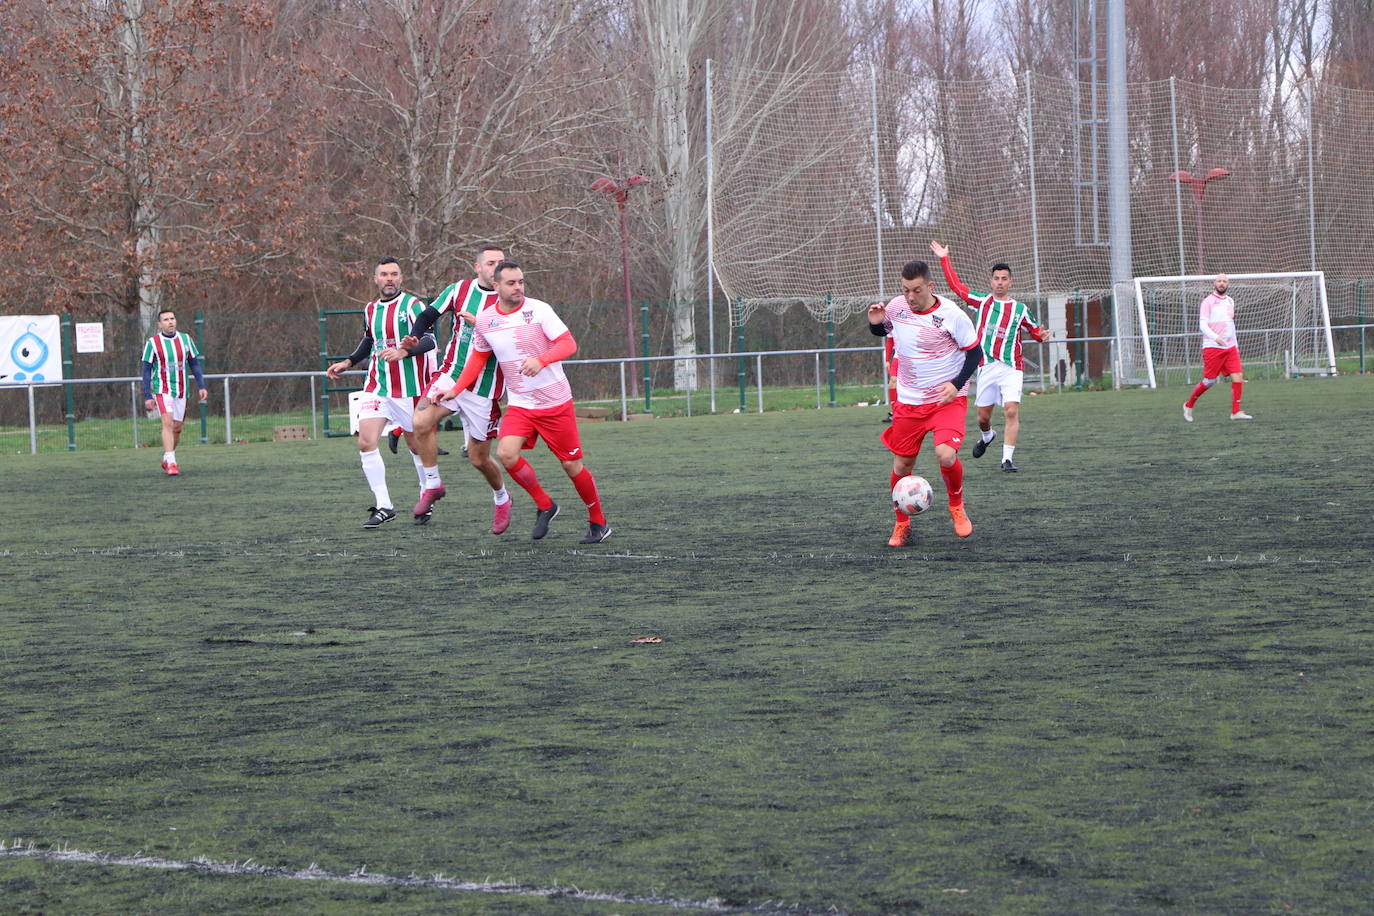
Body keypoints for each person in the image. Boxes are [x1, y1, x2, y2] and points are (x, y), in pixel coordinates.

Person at [437, 259, 611, 543]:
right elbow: (479, 357)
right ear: (496, 286)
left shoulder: (539, 309)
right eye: (511, 283)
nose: (518, 287)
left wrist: (541, 360)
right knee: (507, 454)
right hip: (521, 404)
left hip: (555, 402)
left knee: (571, 466)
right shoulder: (485, 320)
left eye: (521, 282)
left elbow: (568, 343)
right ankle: (545, 505)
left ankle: (598, 522)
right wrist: (456, 389)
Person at [869, 258, 982, 545]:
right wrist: (876, 325)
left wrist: (956, 385)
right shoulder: (896, 307)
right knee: (902, 466)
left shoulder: (952, 314)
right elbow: (886, 331)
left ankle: (956, 507)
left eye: (916, 290)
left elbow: (975, 353)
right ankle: (901, 523)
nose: (910, 297)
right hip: (909, 401)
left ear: (930, 286)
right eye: (905, 290)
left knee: (945, 455)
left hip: (946, 399)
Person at [400, 243, 512, 532]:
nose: (496, 268)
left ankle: (501, 497)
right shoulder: (460, 290)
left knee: (479, 458)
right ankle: (433, 484)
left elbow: (515, 345)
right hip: (451, 374)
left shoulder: (511, 301)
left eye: (500, 263)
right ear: (477, 267)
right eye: (490, 263)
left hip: (484, 389)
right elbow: (427, 316)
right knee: (420, 420)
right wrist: (414, 337)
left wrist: (486, 327)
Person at [325, 258, 437, 529]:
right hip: (377, 386)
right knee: (365, 442)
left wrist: (404, 351)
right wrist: (348, 361)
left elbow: (430, 340)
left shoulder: (412, 306)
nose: (389, 278)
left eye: (394, 274)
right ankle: (385, 505)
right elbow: (369, 341)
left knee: (416, 446)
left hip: (410, 389)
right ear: (375, 279)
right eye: (384, 274)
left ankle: (427, 496)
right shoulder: (370, 309)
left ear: (401, 278)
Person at [930, 241, 1050, 472]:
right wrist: (944, 258)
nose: (1000, 282)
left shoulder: (1020, 309)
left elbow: (1035, 331)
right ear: (991, 281)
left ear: (1010, 282)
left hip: (1012, 367)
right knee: (983, 418)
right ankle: (987, 436)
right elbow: (956, 287)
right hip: (986, 367)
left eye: (1004, 278)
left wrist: (1041, 335)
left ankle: (1007, 460)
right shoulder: (982, 302)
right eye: (997, 278)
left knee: (1012, 410)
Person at [141, 309, 208, 476]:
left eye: (172, 318)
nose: (170, 322)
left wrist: (201, 385)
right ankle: (172, 462)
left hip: (181, 388)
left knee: (177, 428)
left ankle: (167, 456)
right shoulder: (153, 343)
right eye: (166, 319)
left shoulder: (185, 339)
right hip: (162, 388)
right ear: (159, 324)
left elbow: (194, 364)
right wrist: (147, 395)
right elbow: (146, 370)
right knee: (167, 421)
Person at [1183, 274, 1252, 421]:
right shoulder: (1208, 302)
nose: (1222, 283)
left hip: (1230, 347)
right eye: (1219, 281)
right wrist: (1216, 338)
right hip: (1212, 347)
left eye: (1224, 281)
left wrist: (1236, 346)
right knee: (1210, 381)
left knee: (1238, 377)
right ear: (1214, 283)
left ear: (1228, 284)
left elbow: (1231, 325)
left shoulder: (1230, 301)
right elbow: (1202, 325)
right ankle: (1189, 405)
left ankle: (1236, 412)